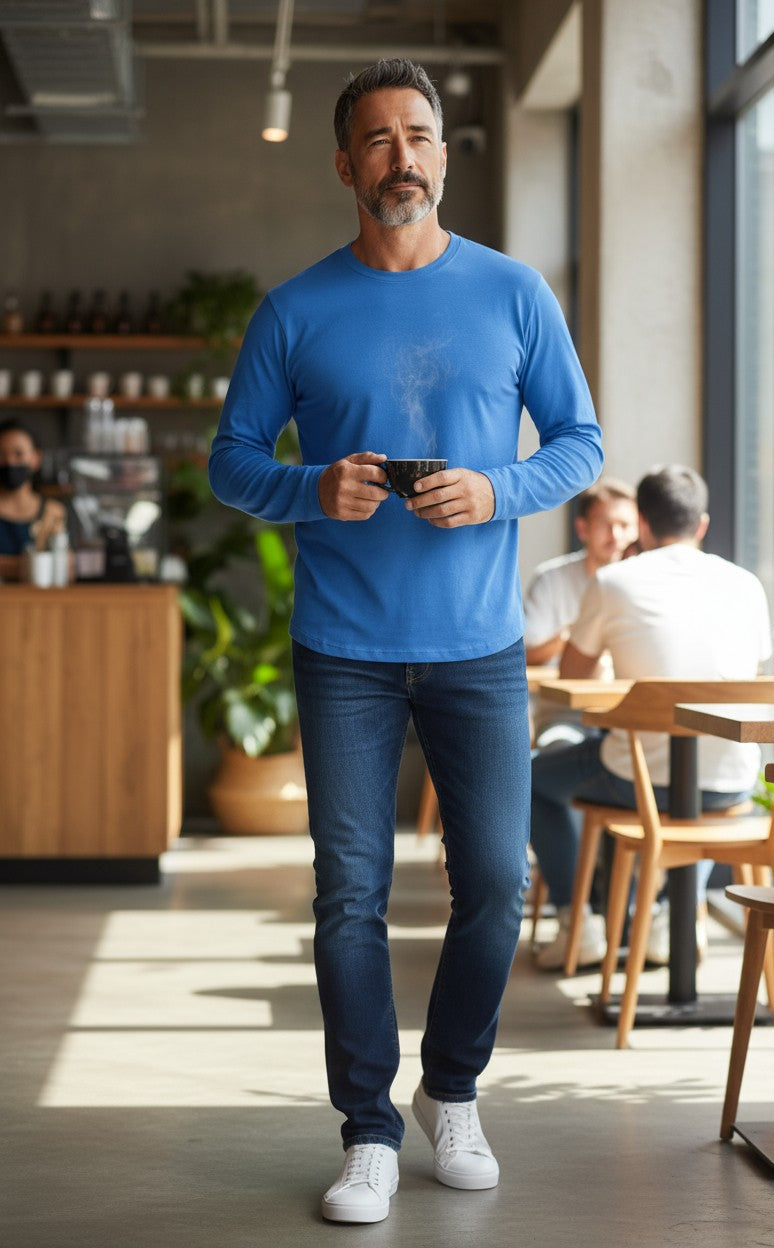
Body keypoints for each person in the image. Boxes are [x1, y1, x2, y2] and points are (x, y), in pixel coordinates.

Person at [208, 58, 602, 1225]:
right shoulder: (294, 310)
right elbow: (232, 461)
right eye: (378, 139)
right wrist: (307, 490)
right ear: (346, 164)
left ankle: (452, 1090)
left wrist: (496, 490)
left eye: (419, 134)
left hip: (478, 645)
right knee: (350, 895)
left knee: (496, 880)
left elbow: (578, 442)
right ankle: (368, 1130)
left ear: (441, 152)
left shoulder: (514, 292)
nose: (402, 156)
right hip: (344, 649)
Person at [529, 465, 772, 970]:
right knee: (688, 799)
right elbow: (753, 675)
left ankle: (578, 922)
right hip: (732, 780)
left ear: (640, 524)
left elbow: (573, 676)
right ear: (701, 525)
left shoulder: (614, 581)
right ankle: (667, 916)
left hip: (635, 778)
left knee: (528, 780)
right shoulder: (747, 585)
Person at [524, 478, 637, 670]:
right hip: (558, 689)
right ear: (582, 528)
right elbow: (525, 655)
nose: (615, 536)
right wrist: (580, 636)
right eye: (605, 524)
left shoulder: (647, 581)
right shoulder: (550, 580)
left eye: (625, 525)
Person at [0, 419, 68, 582]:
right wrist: (37, 565)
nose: (9, 462)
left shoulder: (53, 512)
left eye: (18, 454)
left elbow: (67, 569)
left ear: (36, 458)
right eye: (1, 454)